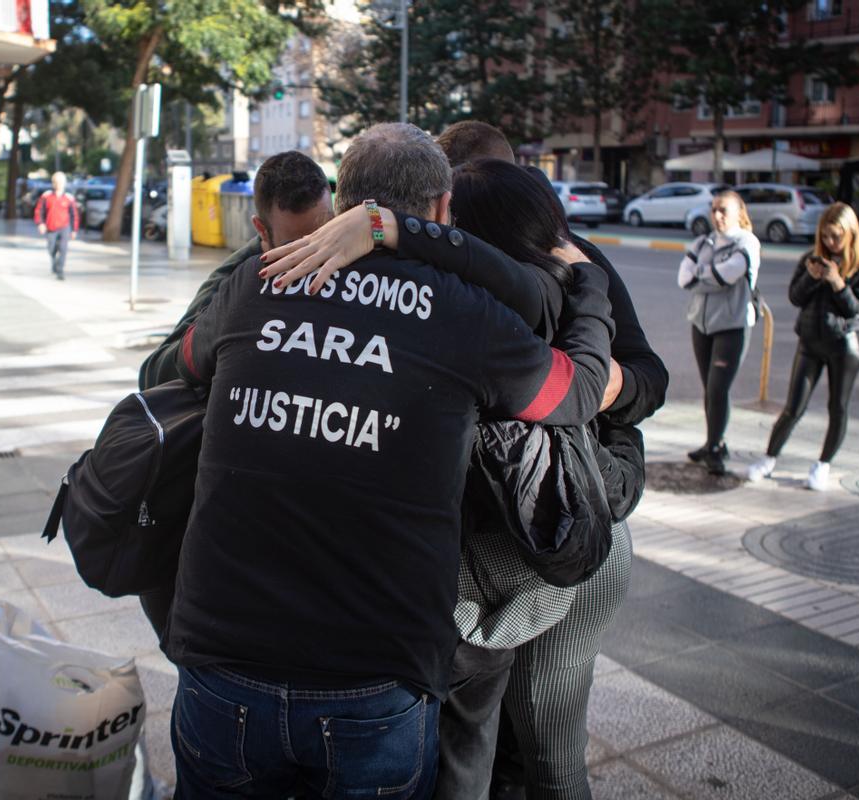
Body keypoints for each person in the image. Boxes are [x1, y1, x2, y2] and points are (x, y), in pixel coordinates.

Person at [162, 122, 614, 798]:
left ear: (343, 202)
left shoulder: (257, 283)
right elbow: (575, 389)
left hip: (221, 665)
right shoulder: (468, 315)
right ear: (441, 209)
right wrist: (593, 286)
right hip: (374, 681)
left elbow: (178, 364)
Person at [262, 122, 667, 799]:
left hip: (548, 546)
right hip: (515, 552)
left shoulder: (541, 277)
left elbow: (643, 378)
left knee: (531, 743)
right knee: (505, 740)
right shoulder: (487, 276)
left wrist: (589, 385)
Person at [138, 151, 334, 389]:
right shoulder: (231, 280)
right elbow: (152, 376)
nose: (313, 255)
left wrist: (373, 222)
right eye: (293, 248)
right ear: (261, 230)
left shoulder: (354, 241)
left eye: (325, 234)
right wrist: (216, 329)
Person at [745, 203, 859, 491]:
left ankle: (822, 464)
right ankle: (769, 458)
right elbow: (795, 297)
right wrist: (812, 276)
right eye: (826, 236)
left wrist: (837, 282)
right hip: (809, 343)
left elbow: (856, 309)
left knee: (837, 408)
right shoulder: (812, 258)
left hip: (844, 347)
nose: (830, 243)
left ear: (850, 234)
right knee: (793, 407)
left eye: (836, 237)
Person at [678, 190, 761, 475]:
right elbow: (683, 278)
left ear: (740, 212)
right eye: (714, 210)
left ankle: (716, 448)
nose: (717, 215)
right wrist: (709, 274)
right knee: (709, 389)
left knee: (718, 388)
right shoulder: (704, 241)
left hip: (732, 326)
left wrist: (701, 274)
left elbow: (728, 274)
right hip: (701, 324)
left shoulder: (748, 243)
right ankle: (712, 441)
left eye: (724, 210)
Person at [34, 171, 79, 280]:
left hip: (64, 227)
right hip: (51, 227)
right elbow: (39, 211)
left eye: (61, 182)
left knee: (63, 249)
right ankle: (54, 264)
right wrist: (40, 224)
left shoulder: (69, 198)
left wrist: (74, 230)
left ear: (64, 183)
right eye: (56, 182)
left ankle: (60, 271)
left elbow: (74, 215)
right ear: (53, 183)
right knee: (51, 248)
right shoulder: (46, 196)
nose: (58, 184)